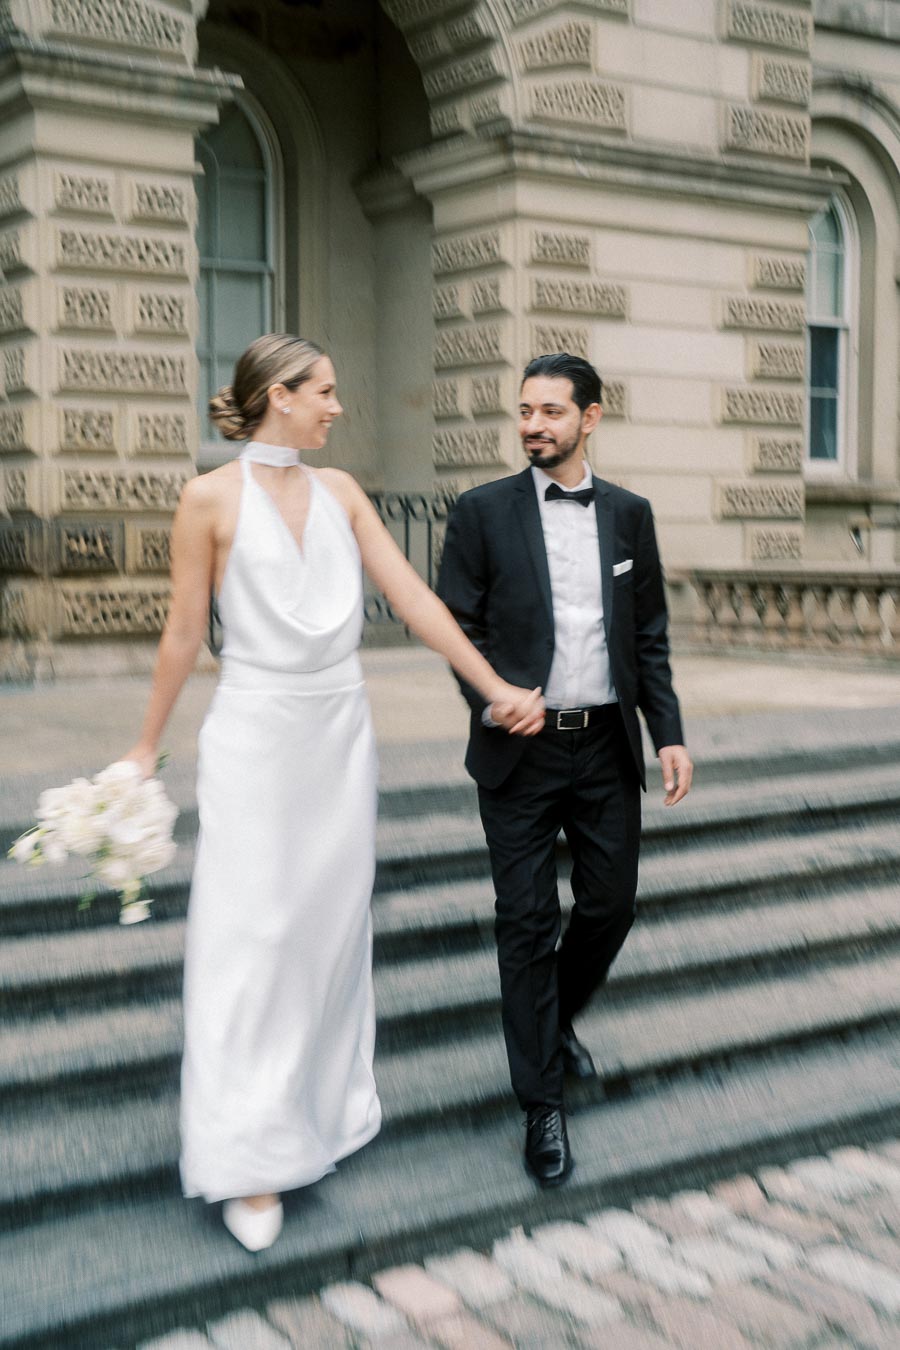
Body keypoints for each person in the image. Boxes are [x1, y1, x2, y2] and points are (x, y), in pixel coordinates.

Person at [123, 334, 544, 1252]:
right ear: (279, 395)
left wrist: (494, 685)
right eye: (324, 391)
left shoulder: (343, 493)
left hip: (337, 734)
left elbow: (417, 602)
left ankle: (317, 1115)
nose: (337, 407)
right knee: (255, 933)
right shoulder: (207, 500)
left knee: (327, 926)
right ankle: (249, 1155)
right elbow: (183, 634)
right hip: (256, 735)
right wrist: (143, 754)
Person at [437, 351, 692, 1188]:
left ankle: (548, 1025)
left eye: (550, 411)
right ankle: (541, 1106)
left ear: (590, 418)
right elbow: (456, 630)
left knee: (611, 905)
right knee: (525, 923)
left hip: (606, 744)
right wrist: (492, 695)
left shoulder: (630, 515)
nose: (532, 425)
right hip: (518, 749)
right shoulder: (479, 514)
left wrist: (670, 733)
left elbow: (646, 632)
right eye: (524, 411)